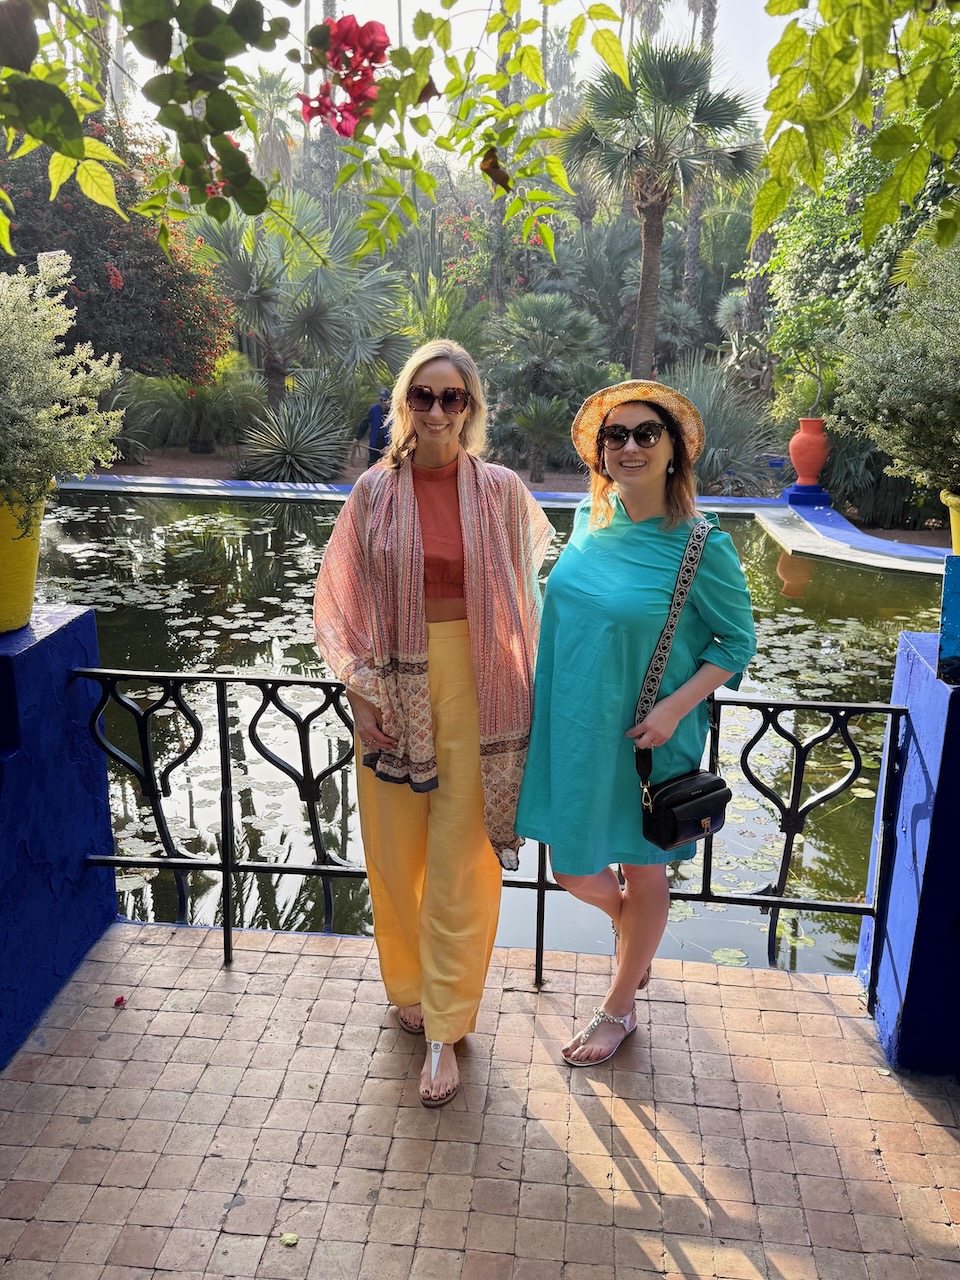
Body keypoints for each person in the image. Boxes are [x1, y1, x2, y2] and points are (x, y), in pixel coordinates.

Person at [313, 340, 553, 1106]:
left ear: (471, 407)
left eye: (453, 397)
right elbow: (340, 595)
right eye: (425, 395)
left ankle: (446, 1029)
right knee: (394, 856)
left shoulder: (502, 491)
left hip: (481, 692)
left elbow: (531, 591)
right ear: (404, 405)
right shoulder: (373, 493)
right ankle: (410, 988)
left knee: (462, 862)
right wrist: (359, 693)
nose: (439, 410)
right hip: (392, 691)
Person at [516, 381, 756, 1067]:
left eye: (646, 433)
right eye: (614, 435)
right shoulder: (588, 520)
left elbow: (736, 643)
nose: (629, 446)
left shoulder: (702, 545)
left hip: (650, 736)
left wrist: (673, 709)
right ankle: (635, 933)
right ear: (600, 452)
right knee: (571, 869)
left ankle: (617, 1008)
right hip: (574, 726)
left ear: (674, 450)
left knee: (644, 871)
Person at [364, 387, 392, 468]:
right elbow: (364, 423)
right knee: (371, 469)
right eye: (380, 400)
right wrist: (357, 438)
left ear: (390, 400)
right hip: (374, 447)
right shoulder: (374, 409)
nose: (382, 403)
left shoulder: (395, 412)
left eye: (385, 400)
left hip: (388, 451)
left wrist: (390, 446)